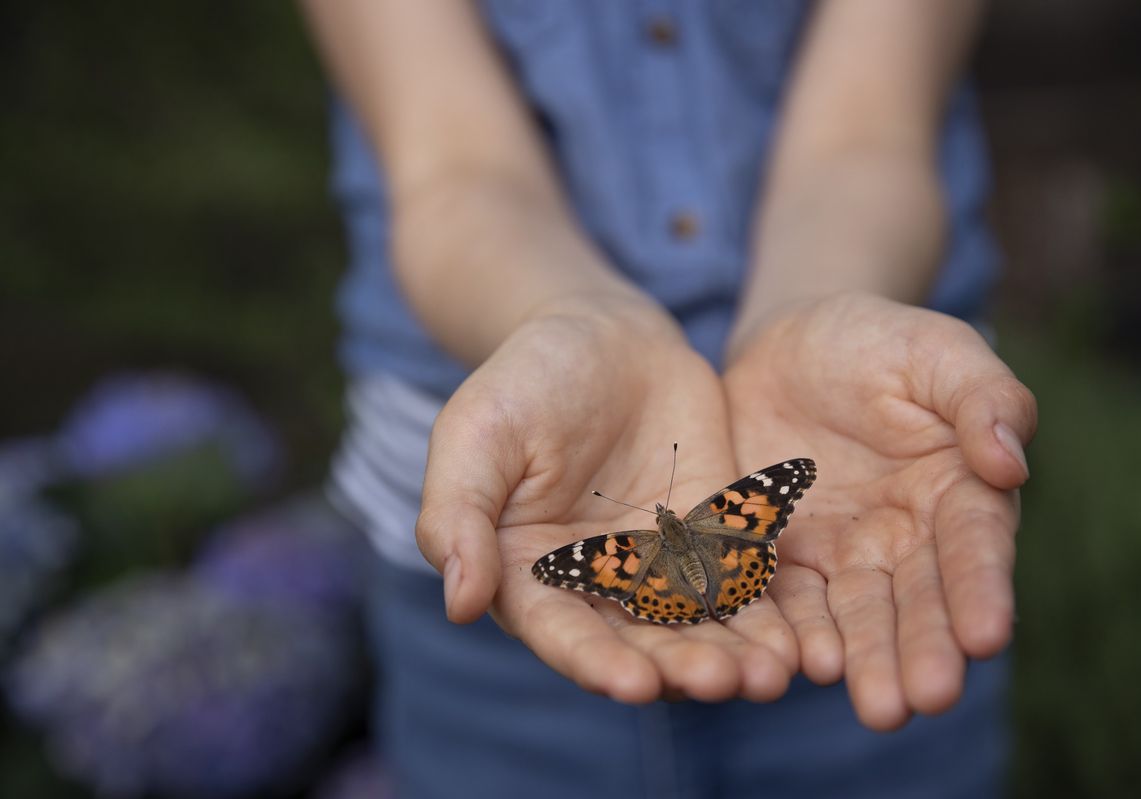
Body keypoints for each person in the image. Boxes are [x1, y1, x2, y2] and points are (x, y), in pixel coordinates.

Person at [301, 1, 1038, 796]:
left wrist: (809, 300)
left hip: (876, 495)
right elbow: (453, 168)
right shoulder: (731, 514)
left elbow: (869, 139)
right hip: (506, 526)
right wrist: (570, 313)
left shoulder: (632, 552)